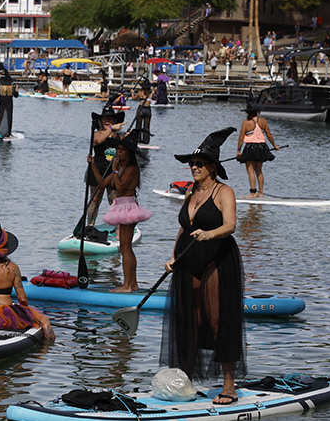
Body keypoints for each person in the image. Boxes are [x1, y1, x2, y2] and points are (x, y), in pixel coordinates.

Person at [162, 127, 246, 405]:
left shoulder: (225, 192)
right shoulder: (191, 193)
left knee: (217, 319)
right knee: (189, 320)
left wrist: (209, 234)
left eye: (199, 164)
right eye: (192, 164)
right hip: (189, 259)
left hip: (218, 258)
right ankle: (184, 383)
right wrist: (173, 257)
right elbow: (184, 228)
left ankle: (229, 386)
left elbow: (231, 225)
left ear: (213, 167)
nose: (194, 167)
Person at [91, 131, 152, 292]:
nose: (119, 152)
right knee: (125, 248)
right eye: (118, 149)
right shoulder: (122, 167)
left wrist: (115, 169)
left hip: (128, 207)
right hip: (121, 206)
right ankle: (133, 284)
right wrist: (93, 166)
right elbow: (103, 183)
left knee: (125, 248)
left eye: (122, 150)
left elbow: (119, 186)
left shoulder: (131, 169)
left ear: (130, 153)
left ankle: (127, 285)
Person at [85, 107, 125, 226]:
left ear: (114, 120)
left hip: (114, 171)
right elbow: (99, 141)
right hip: (97, 169)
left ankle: (119, 227)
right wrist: (111, 129)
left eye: (110, 119)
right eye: (104, 119)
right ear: (100, 121)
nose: (107, 121)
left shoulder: (120, 136)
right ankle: (90, 226)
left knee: (114, 200)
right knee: (95, 200)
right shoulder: (96, 134)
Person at [236, 102, 278, 197]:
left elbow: (241, 138)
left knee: (250, 170)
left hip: (250, 147)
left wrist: (238, 150)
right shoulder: (263, 121)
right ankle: (261, 192)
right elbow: (269, 135)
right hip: (261, 147)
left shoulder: (246, 123)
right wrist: (275, 145)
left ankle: (252, 192)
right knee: (259, 170)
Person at [0, 64, 18, 137]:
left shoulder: (1, 89)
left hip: (2, 103)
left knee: (0, 117)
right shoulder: (11, 88)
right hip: (9, 104)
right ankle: (8, 133)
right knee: (8, 117)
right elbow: (16, 95)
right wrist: (16, 89)